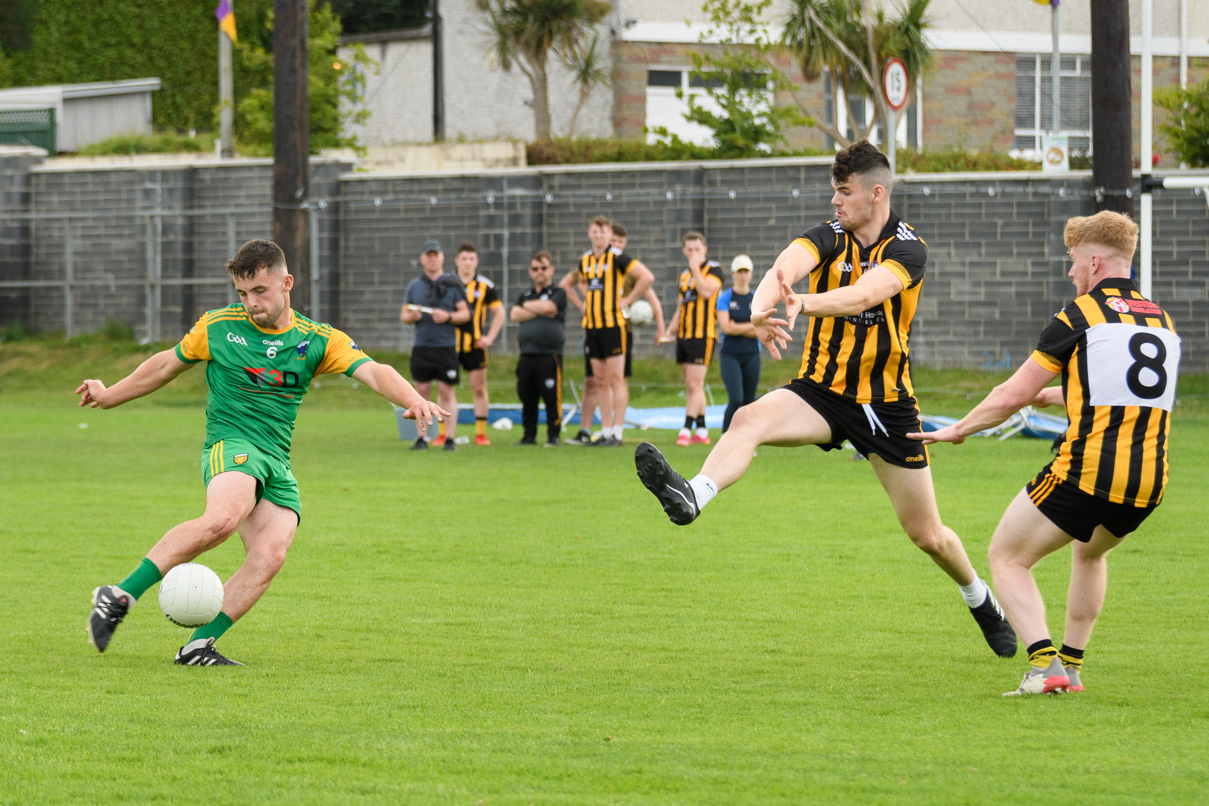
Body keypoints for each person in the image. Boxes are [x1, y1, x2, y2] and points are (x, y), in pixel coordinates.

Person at [633, 140, 1017, 658]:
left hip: (886, 405)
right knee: (747, 418)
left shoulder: (908, 248)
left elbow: (862, 296)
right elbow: (783, 269)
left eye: (844, 192)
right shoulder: (830, 235)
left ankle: (980, 598)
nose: (835, 202)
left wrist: (800, 306)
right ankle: (692, 495)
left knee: (927, 535)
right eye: (833, 192)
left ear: (875, 194)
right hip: (820, 392)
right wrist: (762, 311)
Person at [79, 239, 447, 666]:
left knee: (270, 555)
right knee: (220, 520)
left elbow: (373, 370)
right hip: (231, 442)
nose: (251, 304)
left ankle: (199, 646)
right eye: (242, 293)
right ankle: (119, 595)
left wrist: (412, 398)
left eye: (260, 292)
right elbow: (164, 365)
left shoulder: (316, 339)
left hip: (276, 458)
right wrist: (109, 396)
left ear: (286, 283)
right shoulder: (218, 327)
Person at [910, 211, 1181, 696]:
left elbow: (1010, 396)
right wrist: (1061, 395)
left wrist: (960, 429)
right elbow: (1127, 394)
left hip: (1088, 471)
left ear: (1095, 261)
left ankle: (1044, 666)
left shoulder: (1078, 316)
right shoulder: (1160, 320)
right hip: (1149, 481)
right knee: (1089, 552)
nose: (1070, 272)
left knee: (1006, 556)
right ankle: (1072, 668)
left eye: (1074, 261)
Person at [560, 215, 655, 447]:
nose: (599, 235)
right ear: (589, 233)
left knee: (616, 379)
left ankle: (618, 432)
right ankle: (605, 431)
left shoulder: (618, 258)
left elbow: (646, 277)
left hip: (614, 326)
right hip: (592, 327)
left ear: (608, 235)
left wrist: (628, 299)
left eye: (603, 232)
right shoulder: (586, 260)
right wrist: (585, 305)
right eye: (596, 231)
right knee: (600, 380)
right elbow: (582, 283)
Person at [400, 239, 471, 451]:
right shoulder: (415, 286)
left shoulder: (453, 285)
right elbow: (404, 314)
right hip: (422, 346)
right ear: (422, 259)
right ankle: (421, 438)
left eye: (436, 255)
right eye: (428, 255)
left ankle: (450, 438)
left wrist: (448, 316)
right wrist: (412, 317)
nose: (432, 259)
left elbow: (466, 314)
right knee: (420, 392)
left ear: (442, 258)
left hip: (446, 346)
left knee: (446, 391)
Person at [662, 231, 725, 446]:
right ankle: (702, 429)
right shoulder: (683, 276)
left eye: (697, 249)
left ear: (704, 249)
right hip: (685, 336)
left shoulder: (714, 270)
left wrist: (696, 267)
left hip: (703, 335)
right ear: (683, 251)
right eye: (689, 250)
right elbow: (682, 308)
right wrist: (670, 330)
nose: (693, 253)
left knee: (695, 385)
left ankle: (686, 429)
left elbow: (707, 292)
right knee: (693, 387)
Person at [512, 250, 567, 446]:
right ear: (530, 271)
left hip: (549, 354)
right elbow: (515, 314)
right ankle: (529, 435)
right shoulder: (525, 295)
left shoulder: (559, 293)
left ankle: (553, 435)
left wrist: (530, 308)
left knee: (552, 397)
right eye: (535, 268)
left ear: (551, 270)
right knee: (527, 397)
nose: (540, 272)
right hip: (526, 353)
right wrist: (537, 308)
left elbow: (550, 308)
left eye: (544, 268)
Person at [453, 243, 505, 446]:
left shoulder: (486, 286)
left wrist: (490, 337)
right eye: (464, 258)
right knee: (446, 390)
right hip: (450, 345)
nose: (467, 263)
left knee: (479, 388)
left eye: (471, 259)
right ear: (457, 261)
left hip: (476, 346)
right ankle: (443, 434)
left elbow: (499, 313)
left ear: (476, 262)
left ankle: (481, 434)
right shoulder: (447, 283)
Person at [716, 254, 761, 433]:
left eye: (746, 272)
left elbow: (761, 329)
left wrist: (739, 326)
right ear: (733, 274)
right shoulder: (725, 298)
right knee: (735, 398)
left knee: (748, 401)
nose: (743, 275)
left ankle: (745, 440)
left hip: (751, 354)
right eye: (740, 272)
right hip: (730, 354)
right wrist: (751, 326)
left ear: (750, 274)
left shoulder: (756, 298)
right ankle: (725, 436)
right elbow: (726, 328)